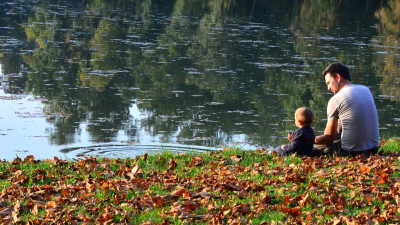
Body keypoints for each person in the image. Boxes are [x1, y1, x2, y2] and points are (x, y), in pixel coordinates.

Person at [314, 62, 379, 157]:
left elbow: (328, 138)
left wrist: (309, 139)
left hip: (352, 153)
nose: (328, 88)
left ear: (338, 77)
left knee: (309, 146)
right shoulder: (366, 90)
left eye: (328, 83)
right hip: (373, 150)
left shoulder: (335, 99)